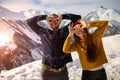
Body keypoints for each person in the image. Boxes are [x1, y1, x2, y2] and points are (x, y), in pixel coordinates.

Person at [27, 13, 81, 80]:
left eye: (56, 20)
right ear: (48, 22)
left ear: (59, 21)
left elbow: (78, 18)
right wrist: (44, 17)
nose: (53, 22)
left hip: (62, 72)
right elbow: (29, 22)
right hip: (47, 72)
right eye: (51, 20)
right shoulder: (42, 31)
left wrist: (63, 17)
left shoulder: (66, 30)